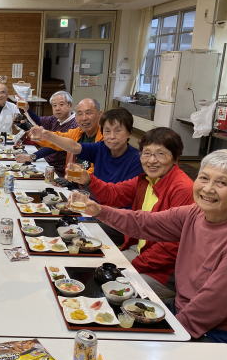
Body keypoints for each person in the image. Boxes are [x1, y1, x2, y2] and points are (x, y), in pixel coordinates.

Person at [73, 149, 227, 359]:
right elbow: (143, 222)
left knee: (134, 354)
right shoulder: (194, 213)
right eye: (204, 178)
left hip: (222, 333)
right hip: (182, 309)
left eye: (221, 183)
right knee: (102, 323)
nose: (208, 188)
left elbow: (214, 303)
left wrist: (169, 335)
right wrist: (99, 210)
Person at [75, 127, 194, 299]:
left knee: (110, 291)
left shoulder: (182, 188)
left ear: (175, 158)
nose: (152, 160)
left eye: (160, 154)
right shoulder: (146, 180)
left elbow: (172, 247)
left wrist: (129, 265)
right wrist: (88, 179)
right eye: (147, 153)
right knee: (92, 270)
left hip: (163, 273)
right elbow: (114, 194)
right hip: (138, 253)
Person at [29, 107, 143, 183]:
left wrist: (87, 180)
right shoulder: (101, 147)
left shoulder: (137, 159)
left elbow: (120, 193)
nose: (112, 136)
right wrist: (47, 135)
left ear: (129, 133)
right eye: (107, 131)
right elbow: (75, 146)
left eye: (118, 131)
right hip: (92, 200)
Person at [16, 98, 102, 174]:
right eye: (80, 114)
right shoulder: (76, 131)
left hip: (68, 173)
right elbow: (58, 139)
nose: (84, 118)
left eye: (88, 113)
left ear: (100, 114)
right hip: (71, 178)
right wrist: (43, 135)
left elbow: (96, 172)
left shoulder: (104, 138)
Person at [16, 91, 77, 176]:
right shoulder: (55, 119)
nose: (57, 108)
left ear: (69, 105)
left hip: (60, 170)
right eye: (54, 105)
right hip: (47, 162)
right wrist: (27, 109)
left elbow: (55, 145)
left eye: (61, 104)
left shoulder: (75, 124)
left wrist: (32, 156)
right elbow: (39, 121)